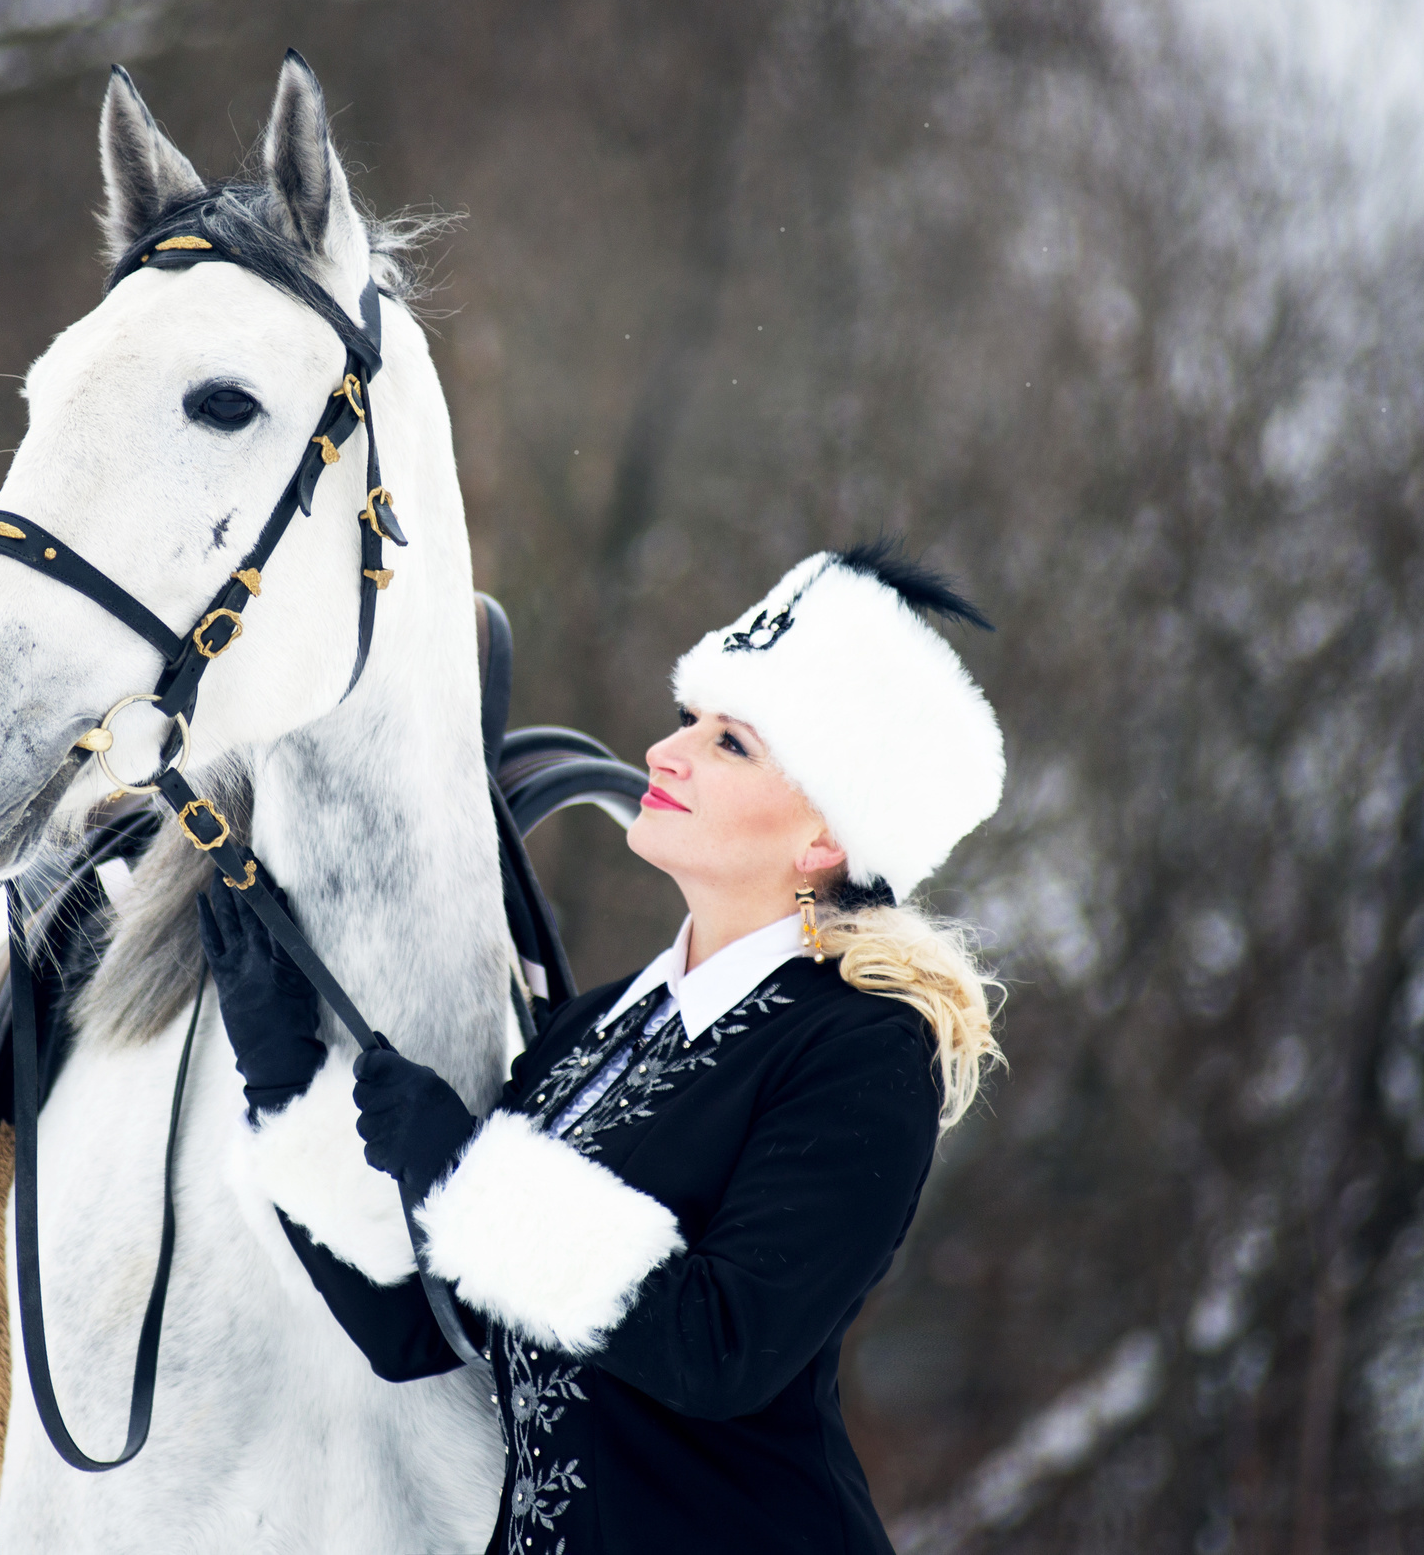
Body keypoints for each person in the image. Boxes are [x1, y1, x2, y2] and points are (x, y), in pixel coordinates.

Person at [199, 540, 1007, 1555]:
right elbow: (423, 1337)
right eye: (687, 723)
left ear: (822, 840)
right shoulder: (595, 1028)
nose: (665, 755)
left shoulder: (861, 1047)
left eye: (731, 745)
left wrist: (463, 1171)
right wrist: (284, 1075)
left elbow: (722, 1344)